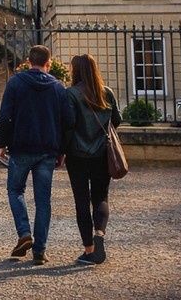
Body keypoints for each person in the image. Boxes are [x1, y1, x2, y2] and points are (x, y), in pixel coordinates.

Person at [0, 45, 74, 265]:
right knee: (43, 201)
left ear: (28, 61)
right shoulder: (58, 88)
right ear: (48, 63)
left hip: (21, 147)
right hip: (47, 150)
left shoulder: (15, 83)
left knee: (15, 190)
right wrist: (63, 151)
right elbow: (67, 123)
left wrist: (2, 144)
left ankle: (24, 233)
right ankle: (39, 251)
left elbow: (5, 117)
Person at [62, 53, 123, 266]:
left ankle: (89, 249)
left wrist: (61, 151)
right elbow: (116, 120)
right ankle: (100, 234)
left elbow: (68, 126)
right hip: (101, 154)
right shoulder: (106, 92)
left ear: (75, 71)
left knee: (81, 201)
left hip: (77, 155)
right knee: (101, 197)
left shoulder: (70, 94)